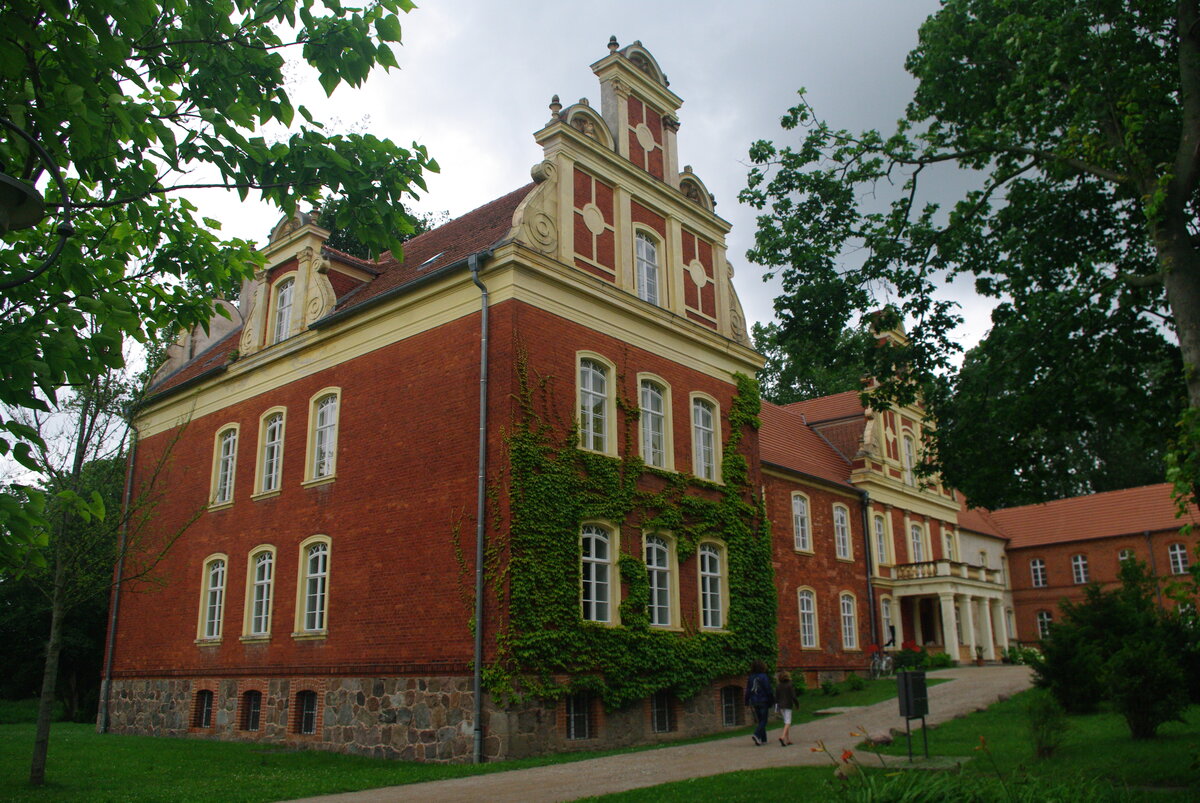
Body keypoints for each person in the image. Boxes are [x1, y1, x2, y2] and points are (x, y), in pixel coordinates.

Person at [744, 659, 774, 746]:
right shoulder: (764, 676)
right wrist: (771, 699)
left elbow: (748, 690)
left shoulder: (751, 677)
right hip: (763, 700)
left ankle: (762, 739)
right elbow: (768, 689)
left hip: (754, 701)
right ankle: (757, 734)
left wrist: (746, 701)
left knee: (760, 720)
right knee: (764, 720)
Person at [775, 671, 796, 746]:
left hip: (781, 706)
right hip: (788, 705)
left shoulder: (778, 686)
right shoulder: (789, 685)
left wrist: (776, 708)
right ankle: (782, 736)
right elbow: (793, 696)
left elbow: (776, 697)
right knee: (788, 722)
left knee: (785, 722)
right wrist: (797, 704)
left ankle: (788, 739)